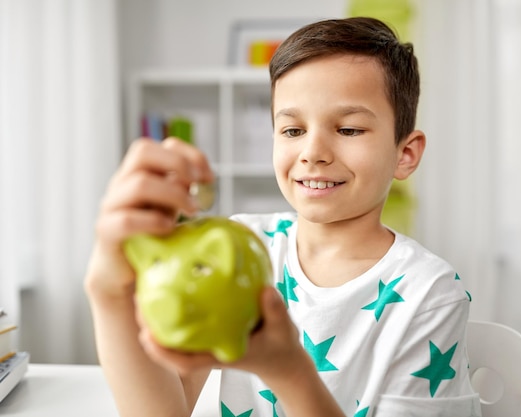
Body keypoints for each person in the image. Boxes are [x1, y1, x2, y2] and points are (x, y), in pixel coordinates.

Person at [84, 16, 481, 417]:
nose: (314, 152)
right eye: (292, 131)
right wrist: (109, 291)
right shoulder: (242, 246)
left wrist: (288, 372)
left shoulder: (429, 294)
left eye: (348, 129)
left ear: (405, 154)